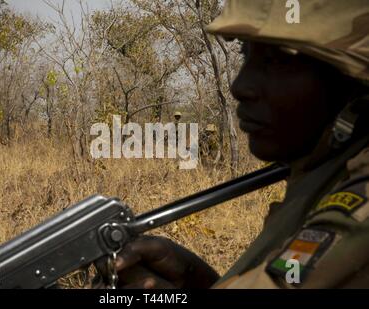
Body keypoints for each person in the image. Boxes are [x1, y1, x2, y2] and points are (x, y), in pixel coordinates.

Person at [109, 0, 369, 288]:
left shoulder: (358, 201)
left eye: (276, 61)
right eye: (246, 55)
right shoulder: (322, 171)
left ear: (354, 82)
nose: (239, 86)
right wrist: (191, 278)